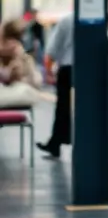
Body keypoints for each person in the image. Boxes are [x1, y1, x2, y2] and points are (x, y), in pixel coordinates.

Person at [37, 13, 74, 159]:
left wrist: (49, 73)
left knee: (62, 107)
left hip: (67, 69)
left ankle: (56, 143)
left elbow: (51, 50)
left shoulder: (66, 20)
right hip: (91, 70)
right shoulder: (100, 18)